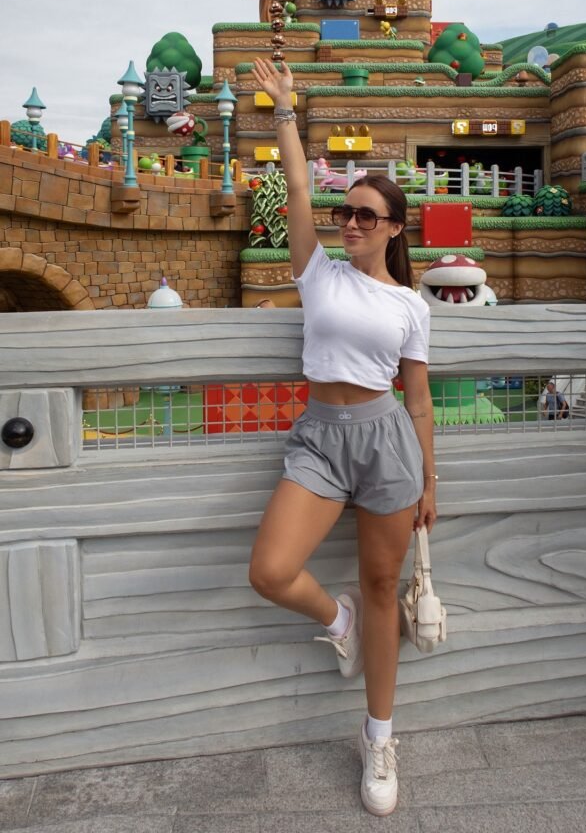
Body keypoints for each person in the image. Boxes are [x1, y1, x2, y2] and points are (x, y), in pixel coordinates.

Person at [248, 57, 437, 818]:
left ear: (392, 229)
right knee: (270, 569)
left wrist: (430, 479)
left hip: (387, 441)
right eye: (346, 212)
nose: (350, 222)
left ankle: (380, 738)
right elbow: (296, 187)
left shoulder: (412, 306)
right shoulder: (316, 272)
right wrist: (286, 110)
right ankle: (338, 621)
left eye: (367, 215)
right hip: (321, 441)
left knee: (384, 588)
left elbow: (418, 397)